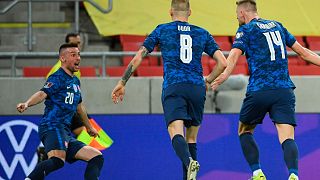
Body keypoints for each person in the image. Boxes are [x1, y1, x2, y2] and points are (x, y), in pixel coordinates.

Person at [111, 0, 227, 179]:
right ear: (190, 12)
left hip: (174, 86)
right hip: (196, 87)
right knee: (192, 139)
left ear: (170, 12)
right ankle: (190, 171)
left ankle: (189, 162)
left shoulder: (162, 29)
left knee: (175, 132)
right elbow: (223, 63)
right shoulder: (202, 32)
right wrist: (208, 80)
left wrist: (122, 82)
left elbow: (139, 56)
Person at [211, 0, 320, 180]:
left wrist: (223, 76)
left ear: (243, 14)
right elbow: (304, 53)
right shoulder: (278, 26)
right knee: (287, 136)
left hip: (259, 90)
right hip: (283, 90)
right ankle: (293, 175)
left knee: (244, 130)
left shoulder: (245, 30)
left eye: (237, 14)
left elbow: (233, 57)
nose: (237, 17)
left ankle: (257, 173)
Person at [17, 43, 104, 179]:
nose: (78, 58)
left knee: (96, 157)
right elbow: (42, 93)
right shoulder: (57, 77)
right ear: (62, 58)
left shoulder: (75, 81)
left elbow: (79, 107)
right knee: (57, 161)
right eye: (73, 55)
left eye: (79, 54)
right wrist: (27, 103)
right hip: (52, 126)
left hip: (65, 131)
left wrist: (89, 127)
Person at [37, 33, 90, 162]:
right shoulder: (58, 69)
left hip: (70, 107)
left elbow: (76, 94)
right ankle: (54, 150)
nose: (77, 46)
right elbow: (48, 89)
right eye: (74, 43)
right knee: (83, 132)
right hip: (61, 110)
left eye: (78, 43)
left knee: (83, 132)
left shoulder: (75, 68)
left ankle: (50, 149)